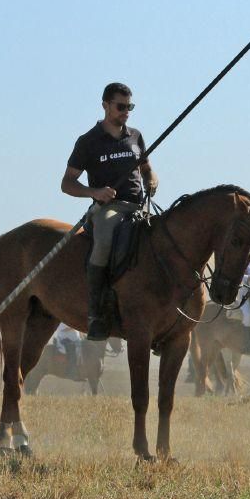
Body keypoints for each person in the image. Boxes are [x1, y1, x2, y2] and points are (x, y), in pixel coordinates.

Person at [61, 82, 158, 341]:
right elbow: (67, 184)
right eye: (121, 106)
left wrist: (152, 179)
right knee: (103, 241)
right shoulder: (88, 142)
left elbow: (147, 167)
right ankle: (96, 313)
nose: (126, 111)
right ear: (105, 105)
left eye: (130, 107)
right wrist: (95, 192)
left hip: (139, 207)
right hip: (109, 209)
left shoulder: (136, 136)